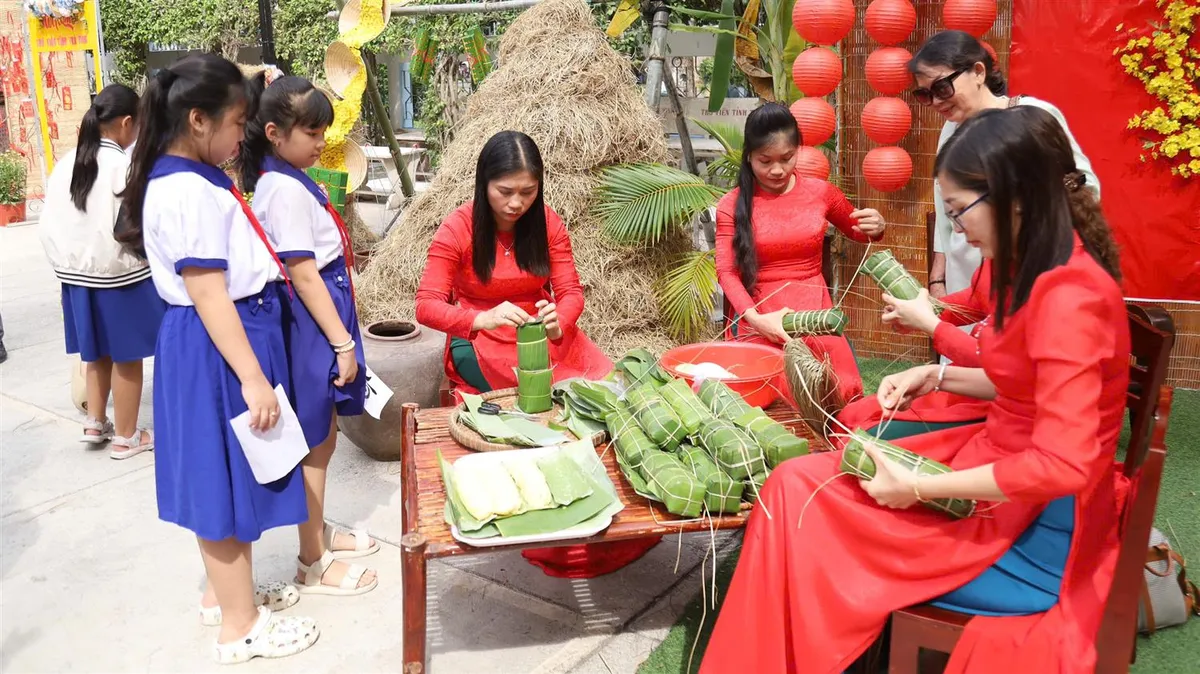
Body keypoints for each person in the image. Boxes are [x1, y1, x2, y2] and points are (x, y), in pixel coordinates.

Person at [700, 105, 1129, 673]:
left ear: (1015, 198)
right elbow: (1022, 382)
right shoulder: (1036, 267)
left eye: (958, 211)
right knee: (792, 482)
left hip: (1027, 523)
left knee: (802, 505)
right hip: (996, 476)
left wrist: (926, 489)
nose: (955, 231)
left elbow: (1063, 464)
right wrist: (938, 374)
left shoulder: (1069, 295)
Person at [116, 54, 318, 664]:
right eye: (236, 124)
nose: (242, 138)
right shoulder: (185, 188)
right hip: (218, 344)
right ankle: (241, 626)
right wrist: (253, 378)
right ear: (198, 120)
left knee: (230, 476)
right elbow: (208, 290)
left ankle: (222, 596)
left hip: (218, 338)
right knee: (222, 486)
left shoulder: (185, 175)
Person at [415, 130, 658, 578]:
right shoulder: (459, 227)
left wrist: (559, 317)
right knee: (539, 418)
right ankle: (549, 521)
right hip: (482, 338)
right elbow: (426, 305)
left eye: (528, 192)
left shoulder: (547, 222)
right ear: (483, 183)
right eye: (505, 191)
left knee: (606, 401)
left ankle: (613, 512)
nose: (516, 203)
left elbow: (570, 293)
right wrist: (479, 319)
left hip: (545, 335)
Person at [240, 73, 378, 597]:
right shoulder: (283, 190)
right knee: (315, 440)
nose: (322, 142)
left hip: (325, 309)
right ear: (274, 133)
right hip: (315, 318)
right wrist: (341, 342)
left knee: (325, 435)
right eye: (312, 132)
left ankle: (316, 531)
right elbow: (303, 272)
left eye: (323, 130)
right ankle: (311, 561)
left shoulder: (289, 179)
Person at [910, 30, 1099, 305]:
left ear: (978, 72)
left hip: (1027, 268)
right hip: (965, 273)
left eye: (941, 88)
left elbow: (1085, 188)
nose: (936, 102)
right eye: (925, 95)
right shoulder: (950, 129)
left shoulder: (1030, 116)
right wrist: (939, 277)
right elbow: (945, 215)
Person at [715, 102, 886, 402]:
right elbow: (727, 272)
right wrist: (757, 321)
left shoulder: (821, 193)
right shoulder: (732, 204)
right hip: (759, 315)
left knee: (839, 393)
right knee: (773, 400)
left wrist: (877, 225)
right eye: (764, 161)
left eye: (787, 158)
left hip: (813, 315)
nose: (777, 169)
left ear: (799, 150)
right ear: (749, 157)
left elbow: (859, 231)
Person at [38, 84, 164, 459]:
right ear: (127, 123)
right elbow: (135, 226)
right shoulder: (123, 166)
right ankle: (127, 436)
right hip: (119, 277)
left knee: (95, 354)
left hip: (76, 277)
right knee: (128, 357)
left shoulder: (67, 163)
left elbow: (48, 225)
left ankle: (96, 421)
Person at [833, 261, 992, 442]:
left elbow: (999, 368)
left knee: (866, 435)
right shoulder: (998, 259)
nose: (957, 231)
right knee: (851, 414)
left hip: (984, 398)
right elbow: (978, 299)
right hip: (958, 386)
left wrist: (930, 324)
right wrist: (916, 313)